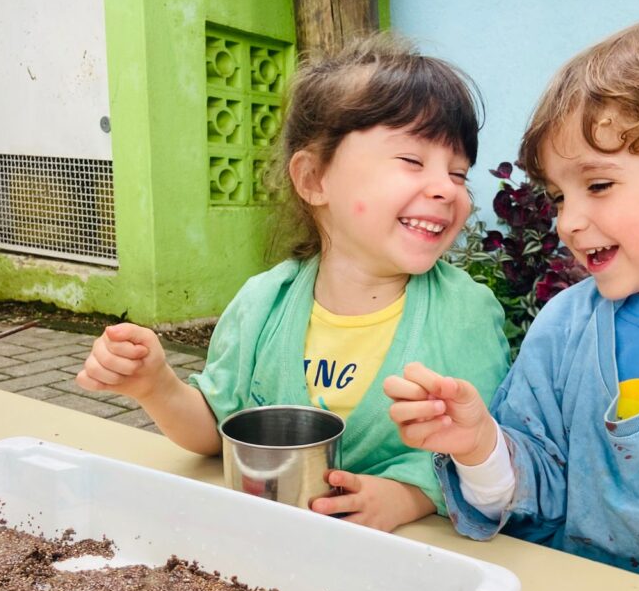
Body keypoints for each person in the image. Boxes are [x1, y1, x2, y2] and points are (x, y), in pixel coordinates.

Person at [384, 14, 639, 591]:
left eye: (599, 185)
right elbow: (535, 487)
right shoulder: (562, 325)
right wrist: (480, 445)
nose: (568, 220)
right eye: (557, 195)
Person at [76, 33, 509, 531]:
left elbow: (490, 454)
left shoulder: (465, 314)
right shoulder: (263, 303)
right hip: (267, 549)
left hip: (408, 562)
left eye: (459, 174)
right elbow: (216, 431)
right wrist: (156, 385)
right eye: (412, 161)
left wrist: (409, 496)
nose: (444, 189)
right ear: (313, 179)